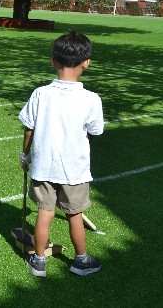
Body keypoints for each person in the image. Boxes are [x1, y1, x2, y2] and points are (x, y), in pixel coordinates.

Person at [18, 31, 104, 277]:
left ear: (53, 61)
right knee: (74, 214)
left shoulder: (40, 94)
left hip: (43, 166)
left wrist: (25, 155)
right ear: (86, 62)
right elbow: (96, 131)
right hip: (74, 169)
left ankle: (39, 261)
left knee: (45, 212)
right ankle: (81, 260)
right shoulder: (91, 99)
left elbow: (28, 128)